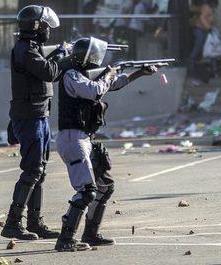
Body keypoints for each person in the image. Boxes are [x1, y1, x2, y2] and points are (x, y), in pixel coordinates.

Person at [54, 37, 157, 252]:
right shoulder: (71, 75)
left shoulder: (84, 75)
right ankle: (65, 239)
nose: (97, 60)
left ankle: (90, 234)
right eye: (93, 56)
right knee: (87, 190)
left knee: (104, 186)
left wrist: (139, 73)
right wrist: (109, 74)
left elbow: (113, 84)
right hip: (73, 138)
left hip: (83, 138)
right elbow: (96, 91)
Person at [1, 5, 73, 241]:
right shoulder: (25, 50)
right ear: (37, 27)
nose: (48, 31)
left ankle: (34, 222)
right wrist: (64, 56)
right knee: (32, 170)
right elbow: (50, 72)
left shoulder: (32, 49)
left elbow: (48, 68)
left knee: (38, 171)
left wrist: (60, 54)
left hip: (38, 114)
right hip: (29, 116)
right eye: (45, 27)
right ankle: (13, 223)